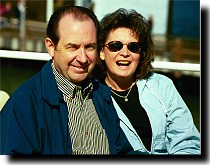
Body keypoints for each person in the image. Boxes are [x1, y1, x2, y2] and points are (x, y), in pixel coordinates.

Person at [0, 6, 133, 155]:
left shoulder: (101, 95)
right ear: (51, 47)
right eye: (73, 47)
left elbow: (122, 152)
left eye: (89, 47)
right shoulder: (25, 104)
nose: (83, 58)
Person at [93, 8, 200, 154]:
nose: (125, 53)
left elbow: (188, 141)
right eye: (115, 46)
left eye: (133, 47)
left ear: (141, 53)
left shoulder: (163, 85)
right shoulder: (92, 96)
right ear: (101, 52)